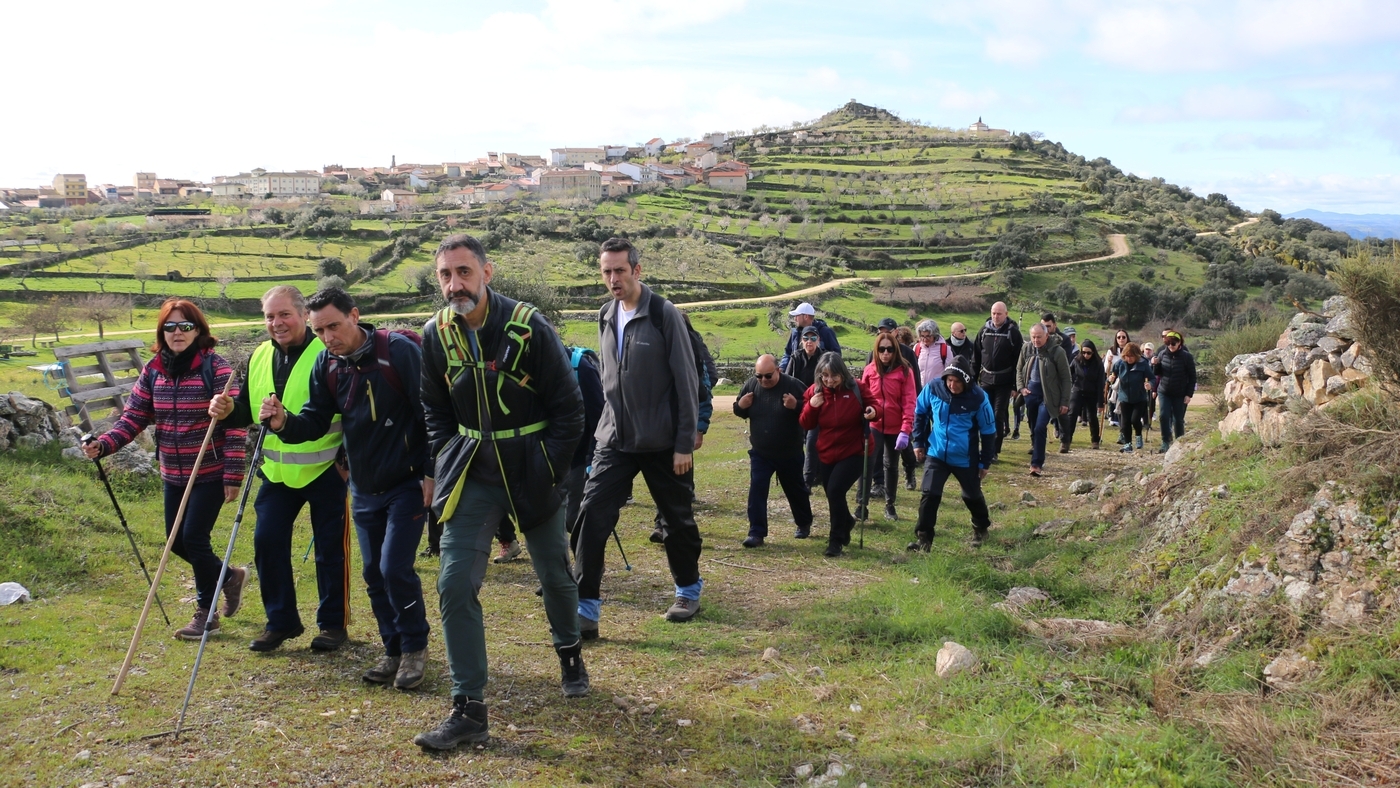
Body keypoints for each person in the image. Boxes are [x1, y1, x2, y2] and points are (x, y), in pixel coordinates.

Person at [413, 234, 587, 751]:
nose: (454, 284)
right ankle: (469, 707)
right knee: (452, 583)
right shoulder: (434, 335)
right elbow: (434, 409)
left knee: (553, 570)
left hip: (530, 469)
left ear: (487, 273)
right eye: (445, 275)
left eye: (464, 272)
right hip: (472, 474)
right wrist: (447, 459)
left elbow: (570, 409)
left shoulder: (529, 326)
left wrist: (547, 466)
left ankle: (570, 651)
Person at [256, 287, 431, 690]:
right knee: (372, 572)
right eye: (319, 331)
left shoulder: (397, 352)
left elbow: (430, 412)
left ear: (354, 315)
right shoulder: (327, 363)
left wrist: (431, 471)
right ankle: (392, 650)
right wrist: (285, 423)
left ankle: (414, 648)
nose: (328, 337)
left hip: (407, 482)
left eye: (333, 326)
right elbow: (316, 421)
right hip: (363, 487)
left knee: (394, 568)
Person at [88, 299, 246, 640]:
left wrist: (233, 474)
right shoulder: (154, 369)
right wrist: (104, 445)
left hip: (209, 471)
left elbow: (235, 425)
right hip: (172, 473)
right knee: (175, 543)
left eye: (185, 326)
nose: (177, 333)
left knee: (194, 538)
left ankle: (207, 614)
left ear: (198, 330)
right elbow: (133, 417)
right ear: (162, 331)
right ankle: (229, 576)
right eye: (170, 327)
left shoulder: (216, 369)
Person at [211, 286, 350, 653]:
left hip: (326, 470)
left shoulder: (329, 351)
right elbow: (248, 409)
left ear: (304, 314)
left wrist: (347, 459)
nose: (277, 323)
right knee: (267, 543)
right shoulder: (258, 355)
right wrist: (229, 412)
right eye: (270, 316)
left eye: (284, 314)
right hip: (275, 472)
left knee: (330, 552)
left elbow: (349, 410)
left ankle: (333, 625)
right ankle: (281, 622)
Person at [575, 237, 703, 638]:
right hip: (615, 438)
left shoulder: (664, 314)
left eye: (620, 270)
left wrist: (685, 441)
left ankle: (688, 590)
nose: (613, 279)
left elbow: (686, 380)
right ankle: (586, 608)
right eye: (606, 271)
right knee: (591, 516)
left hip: (663, 440)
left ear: (636, 270)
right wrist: (601, 436)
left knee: (677, 520)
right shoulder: (604, 315)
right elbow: (609, 379)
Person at [909, 357, 996, 550]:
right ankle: (924, 539)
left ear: (966, 381)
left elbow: (989, 432)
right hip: (937, 453)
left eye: (957, 381)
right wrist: (919, 441)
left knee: (971, 496)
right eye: (949, 380)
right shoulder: (933, 388)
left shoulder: (979, 398)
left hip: (965, 457)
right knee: (929, 494)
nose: (952, 385)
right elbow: (920, 412)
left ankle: (981, 527)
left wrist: (985, 462)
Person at [799, 353, 880, 557]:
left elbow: (875, 406)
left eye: (834, 375)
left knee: (835, 491)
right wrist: (812, 406)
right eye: (824, 375)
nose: (829, 380)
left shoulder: (856, 388)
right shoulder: (814, 392)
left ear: (842, 374)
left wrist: (873, 411)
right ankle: (848, 522)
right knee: (833, 493)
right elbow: (805, 423)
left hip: (855, 450)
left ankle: (835, 541)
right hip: (826, 452)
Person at [733, 354, 812, 547]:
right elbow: (739, 409)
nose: (763, 381)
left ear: (779, 370)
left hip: (789, 452)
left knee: (796, 491)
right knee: (757, 489)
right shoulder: (751, 385)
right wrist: (740, 406)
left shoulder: (794, 386)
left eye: (768, 376)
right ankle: (756, 532)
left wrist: (797, 406)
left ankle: (804, 523)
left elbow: (810, 414)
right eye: (759, 376)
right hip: (761, 453)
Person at [861, 334, 917, 520]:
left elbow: (910, 401)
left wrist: (905, 429)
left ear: (896, 351)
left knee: (891, 465)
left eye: (890, 349)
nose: (886, 353)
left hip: (896, 427)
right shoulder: (869, 370)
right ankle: (862, 505)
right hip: (875, 424)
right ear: (876, 351)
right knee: (867, 464)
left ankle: (890, 505)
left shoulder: (905, 372)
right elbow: (865, 398)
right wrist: (866, 413)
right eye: (882, 349)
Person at [1015, 324, 1071, 476]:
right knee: (1034, 428)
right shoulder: (1026, 349)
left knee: (1040, 427)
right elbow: (1019, 369)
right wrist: (1021, 388)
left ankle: (1036, 464)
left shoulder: (1057, 352)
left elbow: (1066, 378)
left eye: (1039, 337)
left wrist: (1065, 401)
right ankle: (1037, 449)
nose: (1036, 340)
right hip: (1030, 395)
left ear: (1047, 336)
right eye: (1033, 337)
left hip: (1048, 397)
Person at [972, 302, 1023, 462]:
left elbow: (1018, 362)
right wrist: (972, 381)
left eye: (999, 314)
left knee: (997, 415)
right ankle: (984, 448)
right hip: (986, 380)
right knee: (984, 415)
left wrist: (1016, 386)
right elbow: (976, 358)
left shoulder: (1013, 333)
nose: (996, 316)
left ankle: (994, 451)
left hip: (1005, 381)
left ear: (1006, 314)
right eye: (994, 313)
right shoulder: (984, 331)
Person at [786, 325, 824, 489]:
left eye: (813, 338)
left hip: (817, 406)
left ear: (818, 340)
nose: (809, 342)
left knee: (812, 442)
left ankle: (807, 481)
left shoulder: (824, 358)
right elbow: (788, 381)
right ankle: (801, 474)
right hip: (799, 405)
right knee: (797, 442)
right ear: (801, 341)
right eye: (806, 338)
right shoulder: (795, 357)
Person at [1151, 329, 1196, 453]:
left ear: (1179, 343)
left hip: (1180, 393)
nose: (1170, 346)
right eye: (1168, 343)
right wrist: (1155, 365)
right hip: (1164, 391)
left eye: (1173, 344)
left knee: (1178, 419)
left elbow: (1192, 377)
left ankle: (1179, 442)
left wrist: (1188, 394)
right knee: (1163, 416)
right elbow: (1157, 373)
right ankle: (1165, 441)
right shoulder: (1162, 354)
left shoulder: (1187, 357)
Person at [1110, 342, 1153, 452]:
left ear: (1137, 356)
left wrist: (1150, 385)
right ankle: (1128, 444)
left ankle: (1138, 436)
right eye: (1126, 356)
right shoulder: (1120, 364)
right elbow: (1112, 374)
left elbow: (1152, 378)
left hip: (1139, 398)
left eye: (1131, 356)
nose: (1129, 359)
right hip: (1124, 397)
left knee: (1135, 419)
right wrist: (1110, 378)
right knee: (1125, 422)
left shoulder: (1143, 364)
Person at [1065, 340, 1106, 451]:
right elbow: (1068, 374)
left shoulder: (1098, 364)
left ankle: (1095, 441)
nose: (1086, 355)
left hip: (1092, 392)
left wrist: (1100, 402)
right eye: (1083, 352)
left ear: (1093, 352)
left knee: (1092, 417)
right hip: (1077, 390)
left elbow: (1100, 383)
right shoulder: (1076, 360)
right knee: (1072, 414)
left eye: (1089, 353)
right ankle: (1066, 441)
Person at [778, 302, 840, 373]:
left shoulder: (826, 332)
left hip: (819, 377)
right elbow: (788, 353)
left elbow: (836, 356)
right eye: (805, 338)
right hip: (796, 377)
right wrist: (782, 368)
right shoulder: (795, 333)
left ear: (806, 317)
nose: (795, 319)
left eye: (797, 316)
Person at [1103, 330, 1131, 427]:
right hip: (1115, 377)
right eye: (1119, 337)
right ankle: (1114, 418)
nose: (1121, 339)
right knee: (1114, 397)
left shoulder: (1131, 350)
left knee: (1124, 399)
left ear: (1127, 338)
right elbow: (1106, 369)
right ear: (1116, 339)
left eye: (1123, 337)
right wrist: (1109, 361)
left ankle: (1124, 418)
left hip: (1128, 377)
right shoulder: (1111, 351)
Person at [914, 319, 950, 387]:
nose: (925, 339)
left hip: (937, 390)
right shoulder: (917, 348)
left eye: (928, 336)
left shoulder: (945, 349)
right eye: (922, 336)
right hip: (920, 390)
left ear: (935, 335)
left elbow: (949, 372)